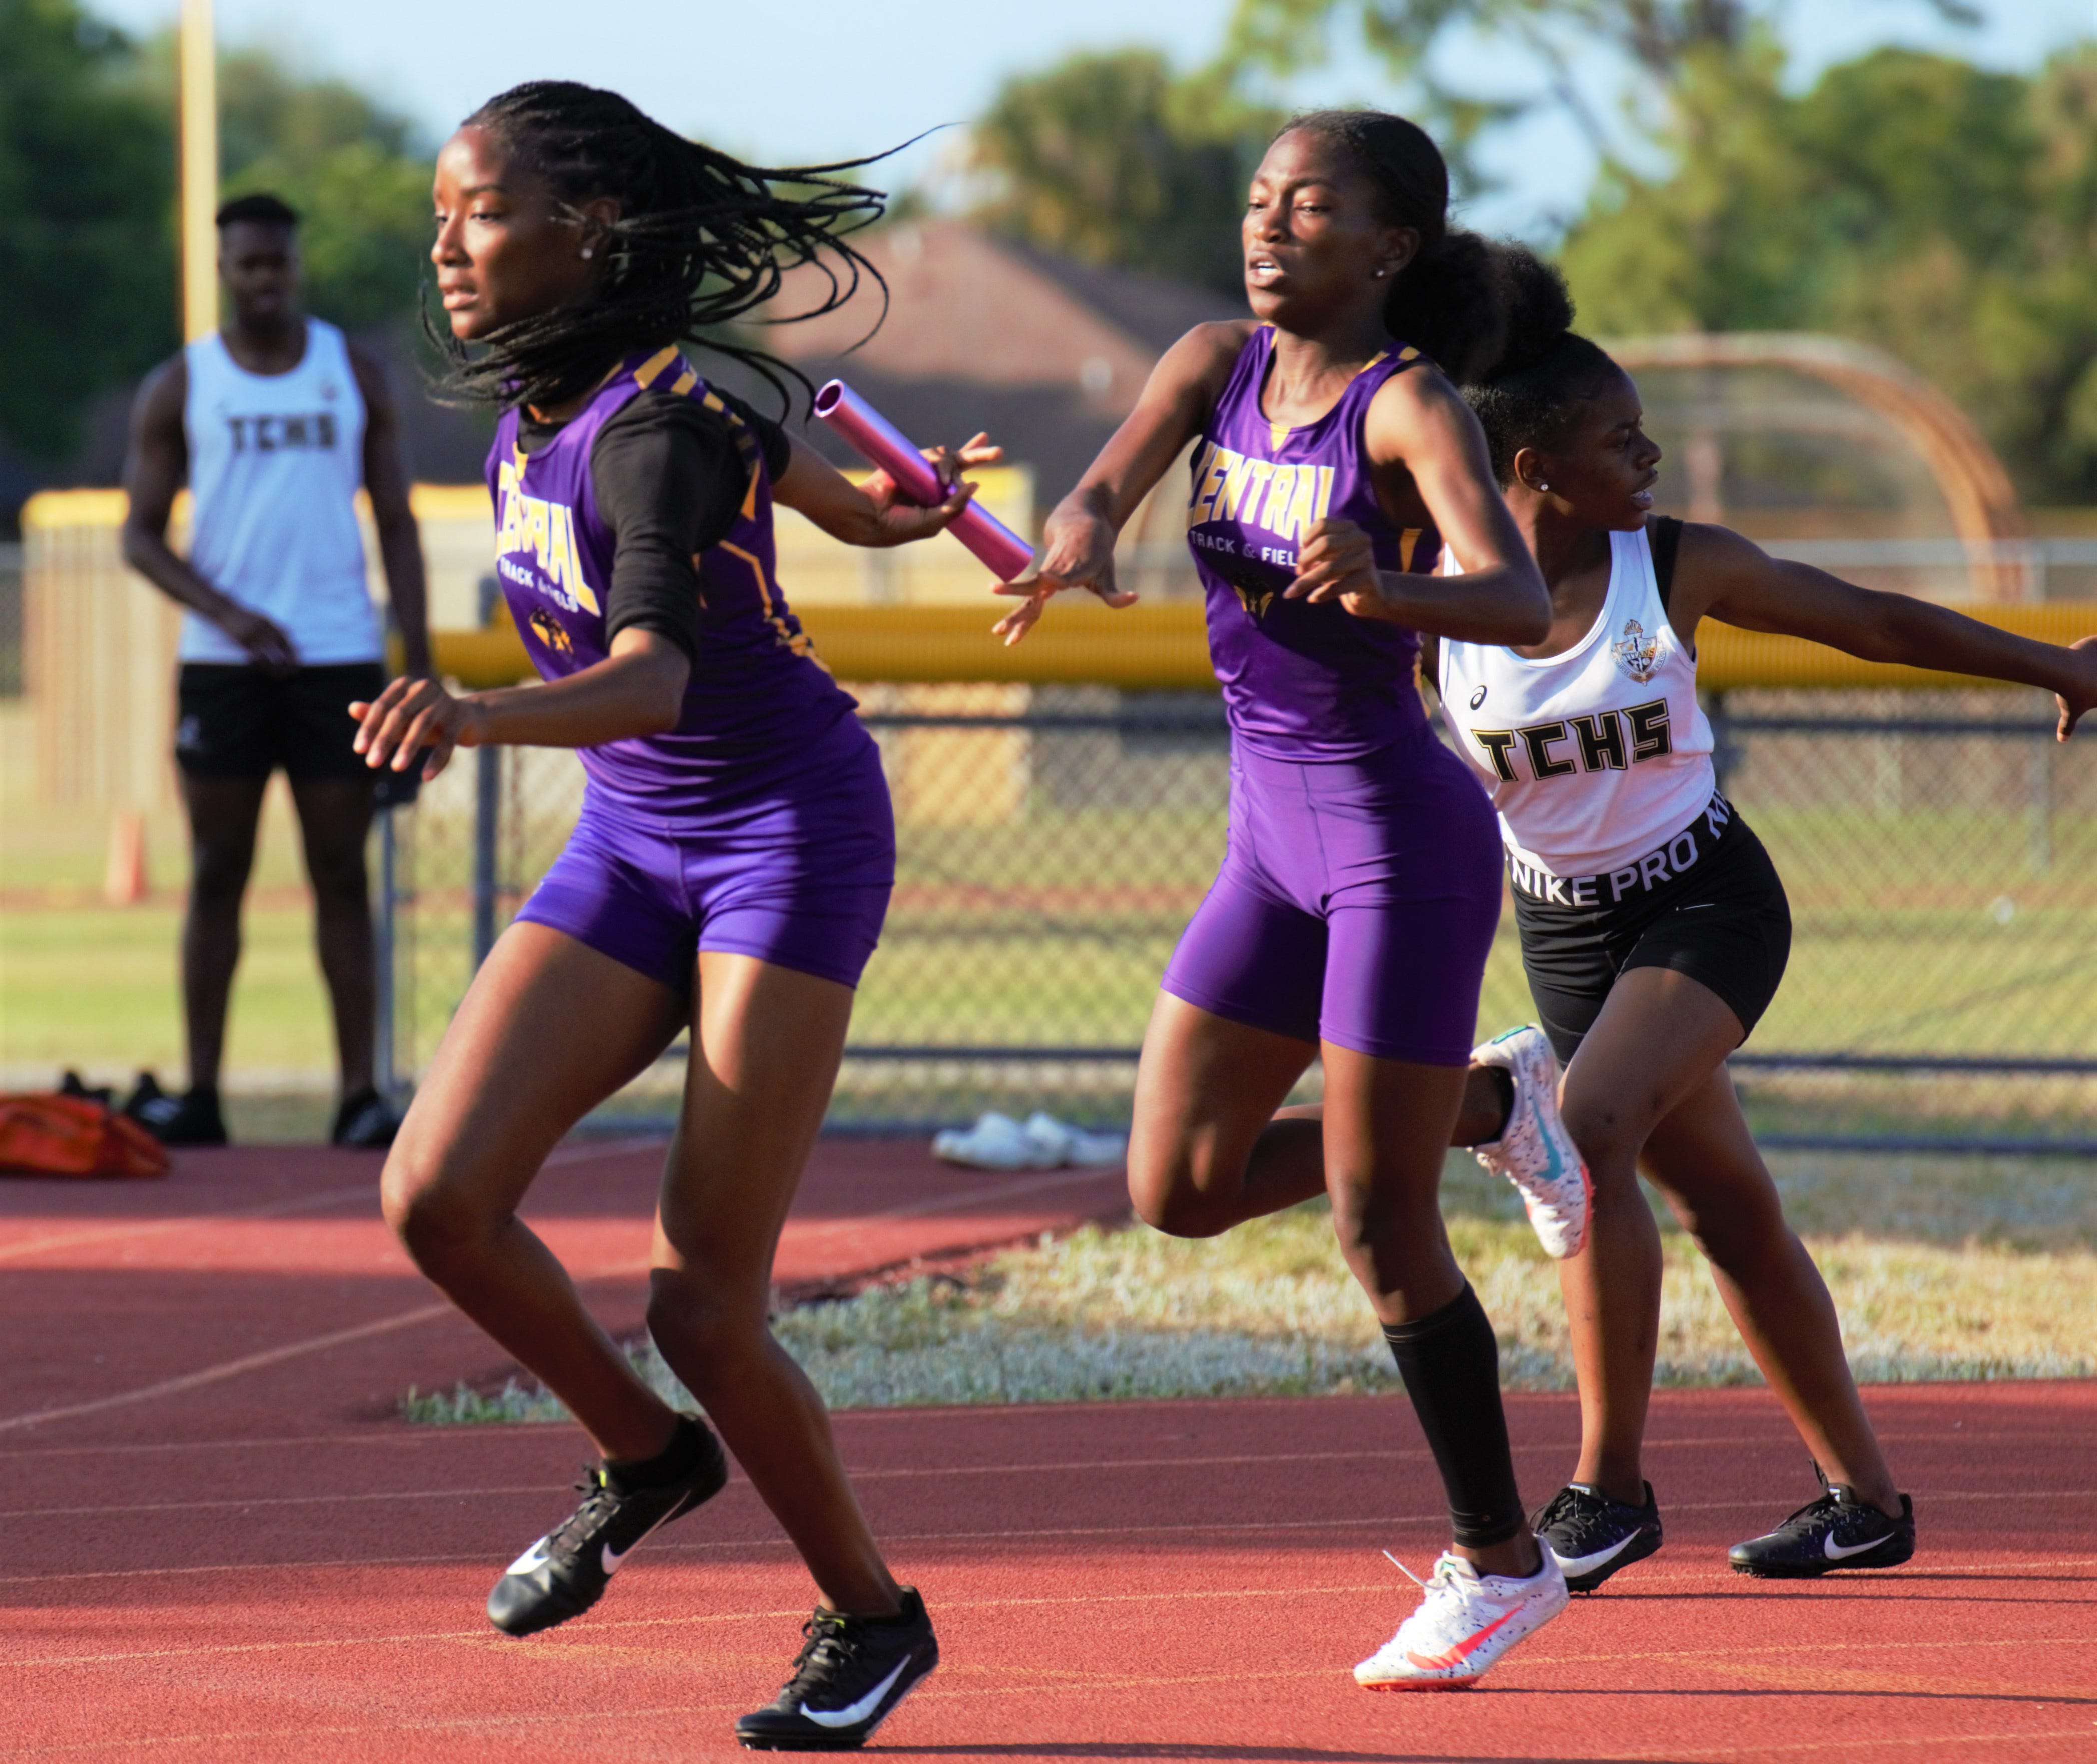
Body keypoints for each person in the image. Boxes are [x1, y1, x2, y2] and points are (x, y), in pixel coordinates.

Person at [363, 83, 991, 1750]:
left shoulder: (650, 428)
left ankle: (872, 1612)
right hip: (640, 841)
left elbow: (649, 676)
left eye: (481, 210)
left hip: (784, 835)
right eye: (443, 211)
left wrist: (478, 716)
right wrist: (885, 508)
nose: (448, 243)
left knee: (704, 1298)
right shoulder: (578, 399)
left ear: (592, 231)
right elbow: (782, 466)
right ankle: (647, 1454)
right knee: (434, 1194)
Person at [993, 110, 1583, 1691]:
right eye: (1261, 202)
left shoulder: (1410, 411)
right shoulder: (1209, 361)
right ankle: (1489, 1102)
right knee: (1175, 1188)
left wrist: (1388, 585)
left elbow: (1518, 599)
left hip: (1398, 835)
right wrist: (1071, 536)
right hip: (1269, 839)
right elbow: (1105, 486)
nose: (1269, 227)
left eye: (1308, 207)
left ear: (1388, 246)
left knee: (1371, 1222)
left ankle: (1502, 1561)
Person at [1427, 250, 2097, 1588]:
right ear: (1534, 469)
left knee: (1591, 1129)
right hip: (1562, 933)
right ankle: (1866, 1501)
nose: (1652, 454)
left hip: (1704, 902)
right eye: (1619, 441)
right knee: (1728, 1209)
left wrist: (2056, 667)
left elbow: (1870, 622)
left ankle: (1606, 1490)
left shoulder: (1669, 565)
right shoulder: (1436, 590)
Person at [120, 192, 432, 1149]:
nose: (264, 279)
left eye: (278, 263)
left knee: (342, 871)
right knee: (218, 871)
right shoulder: (185, 384)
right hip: (223, 663)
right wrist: (228, 613)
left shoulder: (354, 373)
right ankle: (204, 1092)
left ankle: (357, 1095)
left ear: (298, 266)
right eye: (247, 264)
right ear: (223, 270)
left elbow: (395, 520)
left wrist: (416, 665)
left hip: (336, 655)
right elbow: (139, 535)